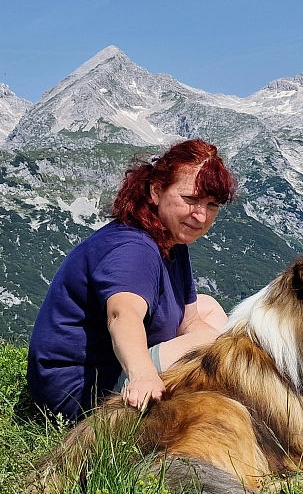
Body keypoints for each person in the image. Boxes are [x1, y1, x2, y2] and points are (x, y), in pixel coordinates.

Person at [27, 138, 237, 422]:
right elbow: (121, 314)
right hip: (80, 392)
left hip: (104, 367)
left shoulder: (172, 240)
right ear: (156, 191)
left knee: (209, 310)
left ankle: (236, 385)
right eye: (190, 199)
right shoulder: (133, 248)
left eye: (212, 204)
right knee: (224, 345)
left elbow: (189, 321)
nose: (201, 215)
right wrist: (143, 375)